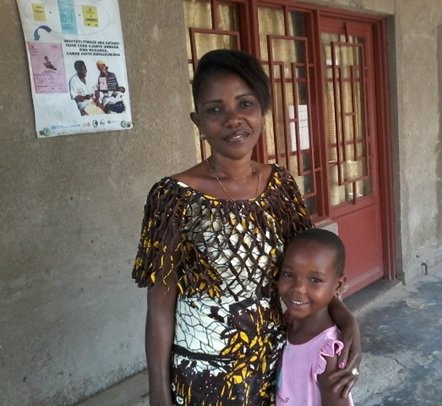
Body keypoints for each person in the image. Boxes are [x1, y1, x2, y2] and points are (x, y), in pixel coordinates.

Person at [132, 49, 361, 405]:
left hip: (274, 369)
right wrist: (159, 396)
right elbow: (160, 308)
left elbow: (313, 268)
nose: (233, 120)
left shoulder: (281, 187)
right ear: (198, 121)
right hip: (203, 378)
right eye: (215, 109)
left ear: (262, 111)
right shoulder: (172, 197)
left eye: (245, 104)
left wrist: (347, 321)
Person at [276, 228, 355, 406]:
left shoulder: (326, 355)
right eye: (288, 274)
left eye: (315, 280)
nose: (298, 289)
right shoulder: (289, 322)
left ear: (338, 284)